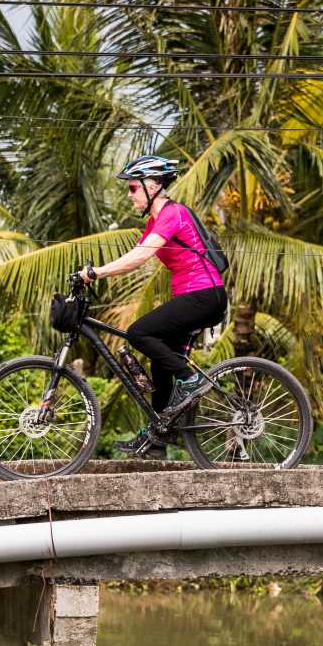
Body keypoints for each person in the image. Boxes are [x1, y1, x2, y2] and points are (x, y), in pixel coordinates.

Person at [77, 154, 228, 458]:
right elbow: (132, 259)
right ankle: (158, 435)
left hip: (204, 295)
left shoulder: (174, 213)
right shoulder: (155, 222)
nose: (129, 194)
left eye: (132, 187)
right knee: (161, 363)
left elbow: (142, 256)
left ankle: (190, 379)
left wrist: (98, 272)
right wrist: (95, 274)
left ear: (153, 185)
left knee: (138, 333)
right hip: (193, 296)